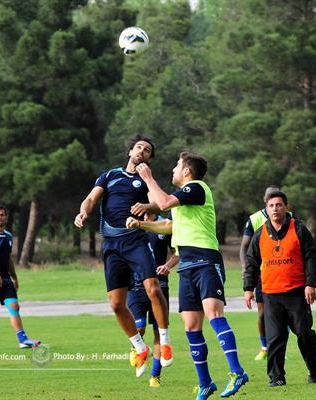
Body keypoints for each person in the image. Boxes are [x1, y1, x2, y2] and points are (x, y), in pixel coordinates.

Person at [126, 152, 248, 400]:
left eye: (177, 166)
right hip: (186, 266)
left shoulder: (197, 188)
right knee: (191, 326)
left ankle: (237, 372)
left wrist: (148, 178)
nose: (173, 169)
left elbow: (162, 204)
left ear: (187, 172)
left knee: (214, 315)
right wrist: (142, 225)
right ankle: (205, 383)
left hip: (205, 260)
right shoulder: (183, 198)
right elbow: (169, 225)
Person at [74, 135, 173, 378]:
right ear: (130, 151)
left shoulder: (146, 179)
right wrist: (83, 212)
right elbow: (90, 199)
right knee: (117, 304)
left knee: (152, 288)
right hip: (111, 244)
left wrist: (145, 209)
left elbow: (158, 204)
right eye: (139, 147)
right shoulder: (109, 176)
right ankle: (140, 347)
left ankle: (165, 340)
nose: (142, 151)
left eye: (147, 150)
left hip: (135, 240)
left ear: (150, 158)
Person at [243, 191, 316, 387]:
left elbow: (311, 257)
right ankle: (276, 377)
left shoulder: (300, 229)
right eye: (271, 206)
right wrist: (248, 288)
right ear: (266, 209)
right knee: (275, 337)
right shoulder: (260, 233)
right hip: (270, 294)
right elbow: (251, 262)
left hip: (296, 292)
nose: (275, 209)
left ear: (286, 207)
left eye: (279, 205)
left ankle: (313, 367)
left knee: (303, 333)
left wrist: (310, 284)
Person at [0, 204, 40, 351]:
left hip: (5, 279)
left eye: (2, 215)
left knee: (14, 306)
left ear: (6, 217)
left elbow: (8, 258)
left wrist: (14, 276)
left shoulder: (9, 236)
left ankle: (23, 340)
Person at [128, 213, 178, 388]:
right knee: (139, 327)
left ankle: (155, 376)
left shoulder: (165, 224)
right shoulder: (131, 222)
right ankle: (138, 348)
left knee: (159, 332)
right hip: (135, 285)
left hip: (160, 284)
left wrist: (167, 265)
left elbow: (176, 253)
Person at [239, 185, 281, 361]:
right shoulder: (255, 219)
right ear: (265, 201)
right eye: (270, 201)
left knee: (282, 313)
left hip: (282, 272)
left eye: (278, 202)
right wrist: (245, 268)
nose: (275, 207)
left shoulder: (289, 218)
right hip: (262, 274)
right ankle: (265, 347)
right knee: (263, 314)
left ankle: (278, 347)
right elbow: (244, 247)